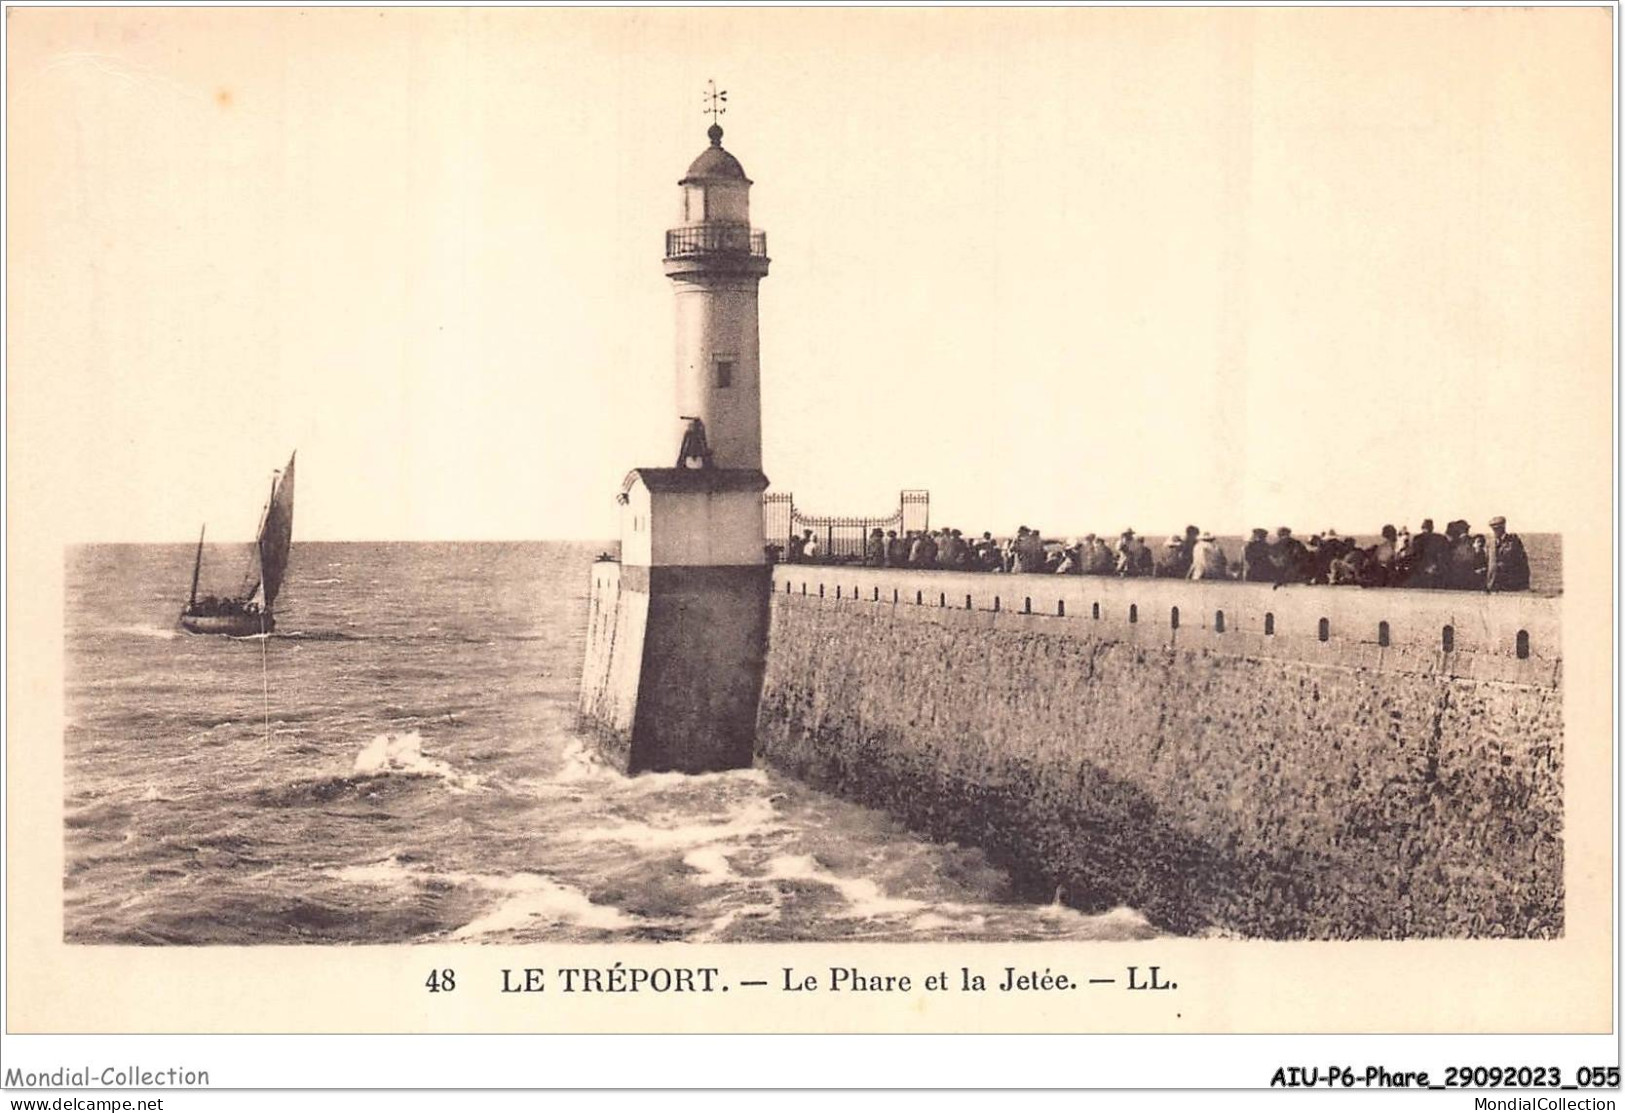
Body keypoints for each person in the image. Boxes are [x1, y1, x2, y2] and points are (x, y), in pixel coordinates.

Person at [1485, 516, 1531, 592]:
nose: (1495, 531)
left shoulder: (1513, 542)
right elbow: (1487, 561)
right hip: (1493, 584)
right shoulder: (1490, 543)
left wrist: (1524, 584)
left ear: (1503, 527)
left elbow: (1522, 563)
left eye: (1497, 528)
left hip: (1509, 584)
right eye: (1494, 529)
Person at [1404, 518, 1447, 588]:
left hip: (1420, 569)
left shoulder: (1418, 538)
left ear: (1422, 527)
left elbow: (1415, 554)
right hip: (1435, 569)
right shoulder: (1439, 538)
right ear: (1432, 527)